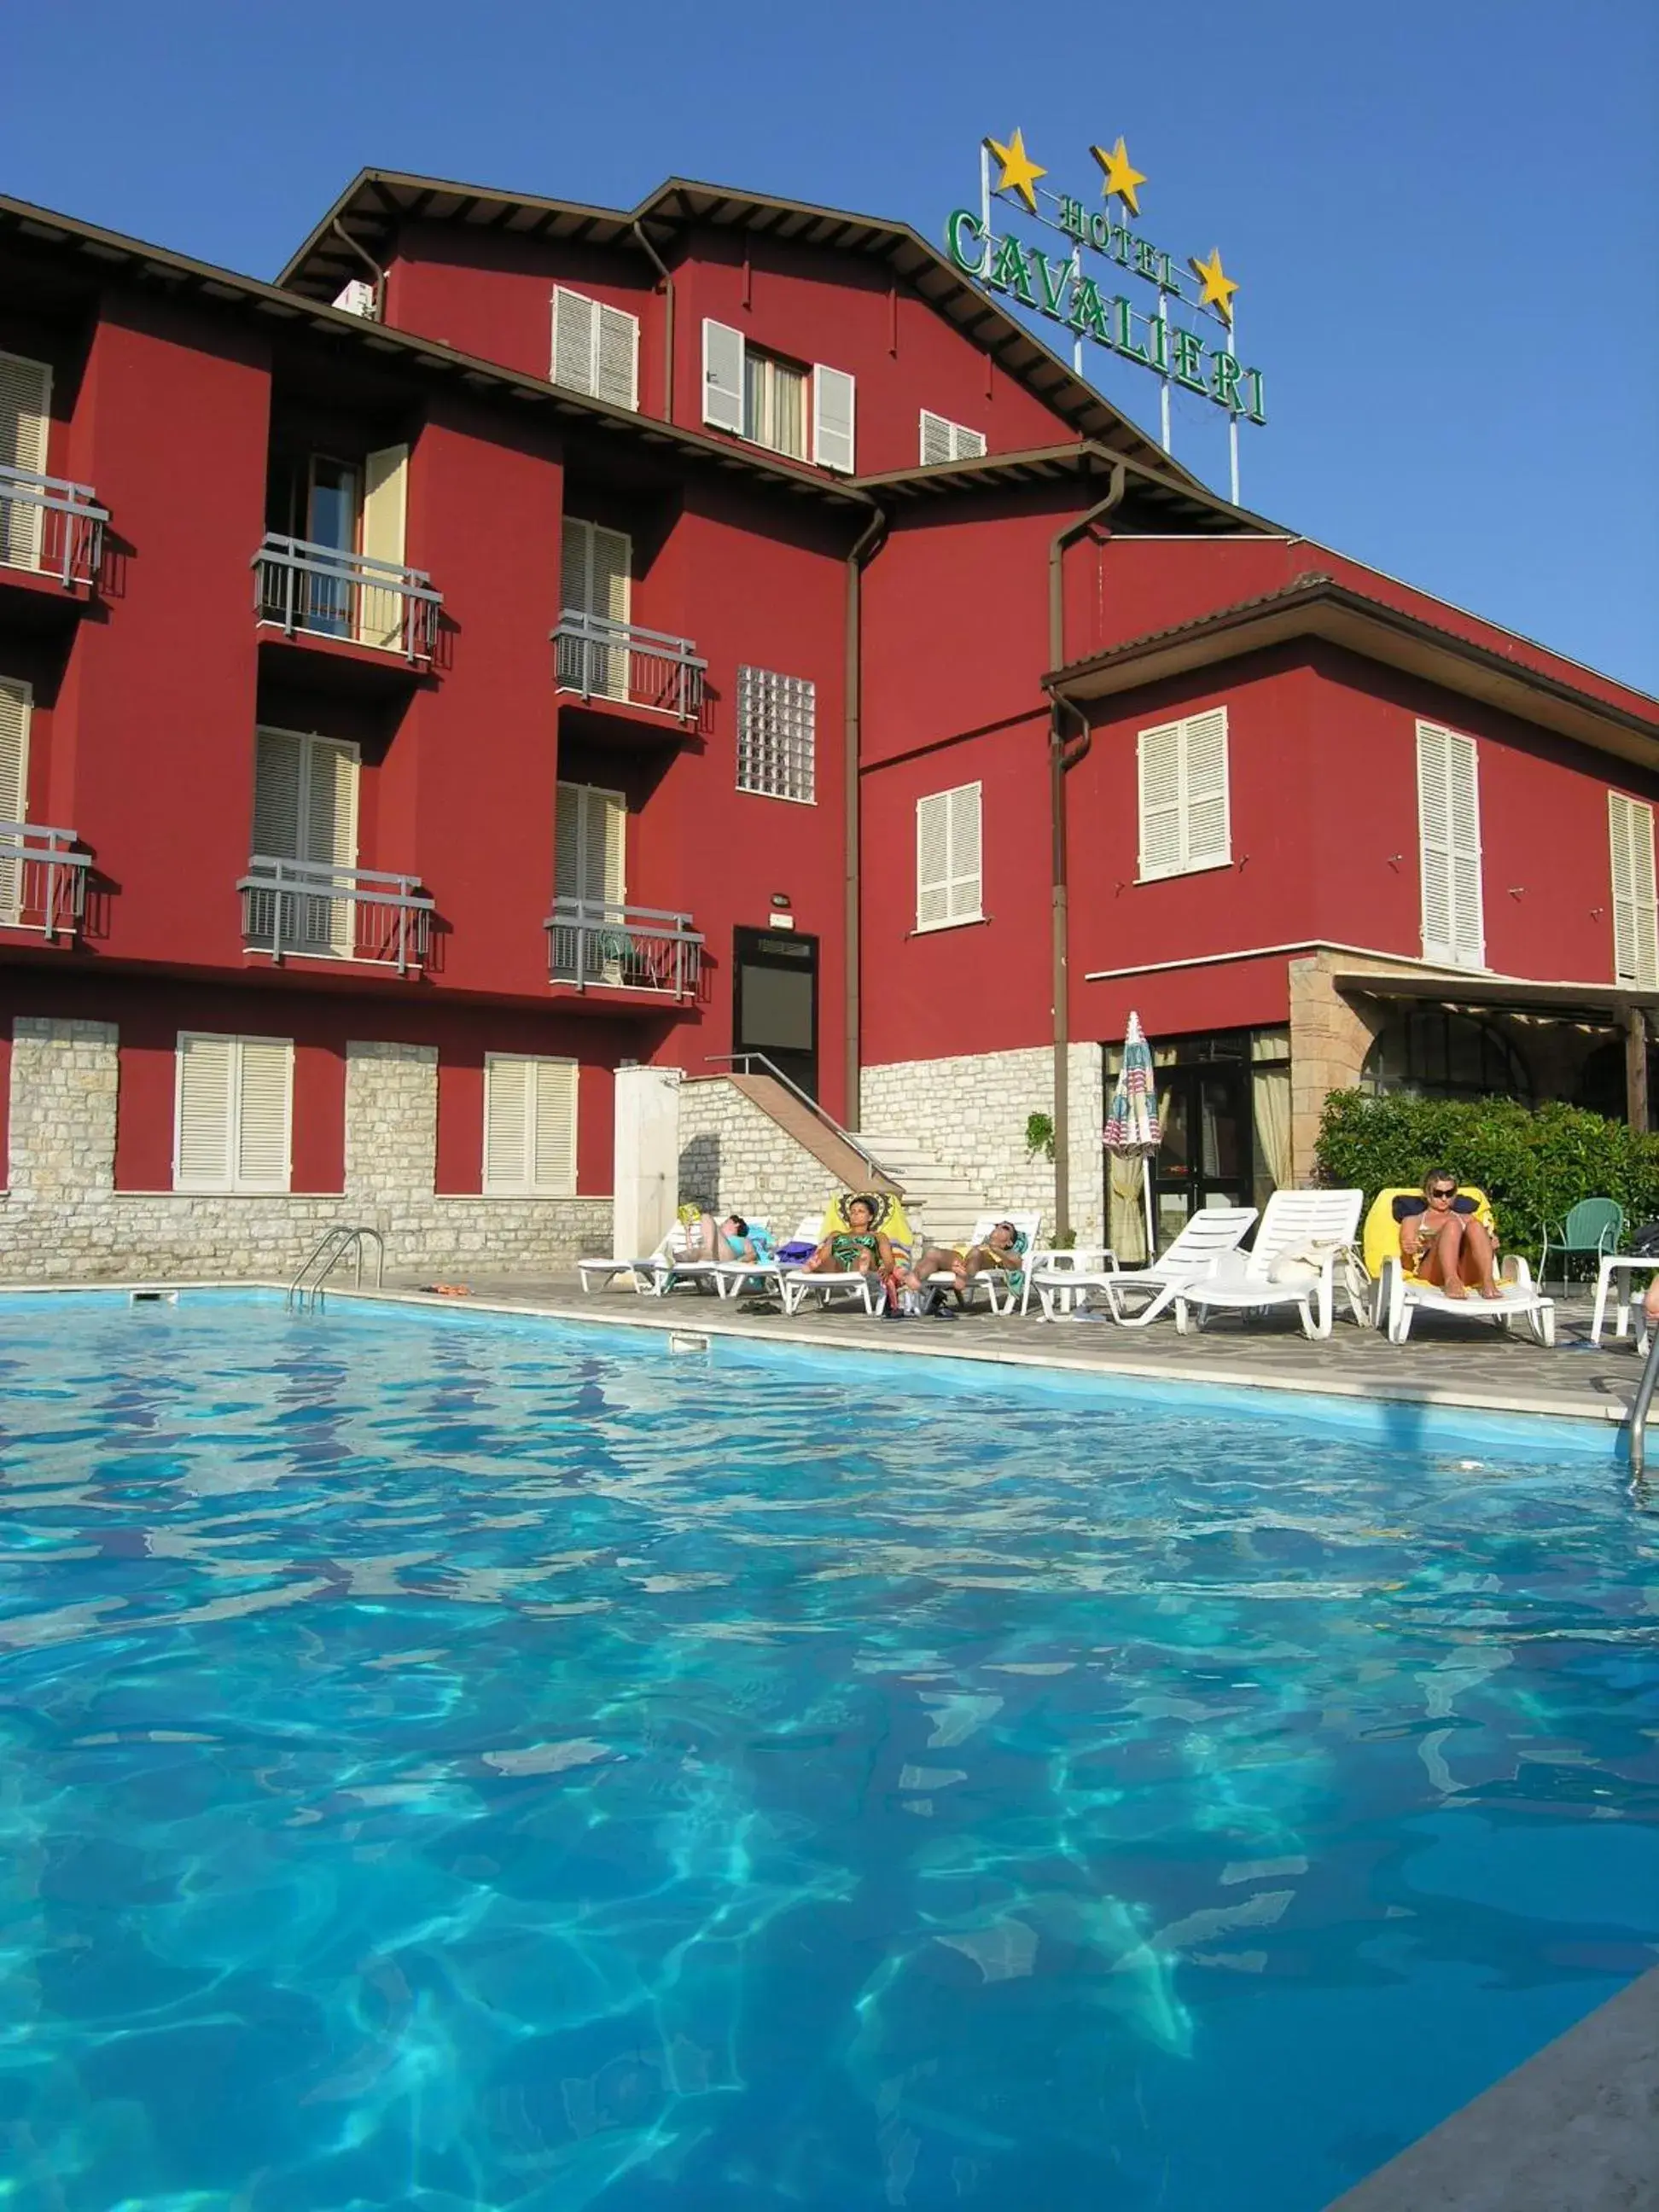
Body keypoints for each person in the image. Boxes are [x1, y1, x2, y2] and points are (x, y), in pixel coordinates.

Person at [1394, 1171, 1503, 1300]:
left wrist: (1491, 1246)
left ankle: (1488, 1281)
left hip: (1465, 1272)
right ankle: (1451, 1280)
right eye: (1438, 1194)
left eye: (1449, 1193)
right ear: (1427, 1195)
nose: (1444, 1198)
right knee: (1452, 1226)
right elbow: (1407, 1266)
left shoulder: (1467, 1218)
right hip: (1432, 1272)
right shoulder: (1413, 1221)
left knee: (1476, 1227)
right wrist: (1408, 1253)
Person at [905, 1220, 1029, 1318]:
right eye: (998, 1225)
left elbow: (1015, 1266)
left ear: (1009, 1243)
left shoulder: (1007, 1253)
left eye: (1005, 1227)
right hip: (959, 1256)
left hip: (977, 1260)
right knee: (933, 1252)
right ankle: (915, 1277)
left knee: (976, 1254)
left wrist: (996, 1249)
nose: (999, 1227)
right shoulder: (979, 1245)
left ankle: (963, 1275)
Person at [800, 1194, 895, 1279]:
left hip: (864, 1261)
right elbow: (822, 1256)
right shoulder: (835, 1234)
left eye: (861, 1211)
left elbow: (889, 1261)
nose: (855, 1214)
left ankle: (863, 1266)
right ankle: (813, 1267)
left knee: (862, 1257)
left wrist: (887, 1269)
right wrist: (819, 1261)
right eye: (853, 1211)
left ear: (870, 1217)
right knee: (831, 1261)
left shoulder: (879, 1236)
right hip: (838, 1266)